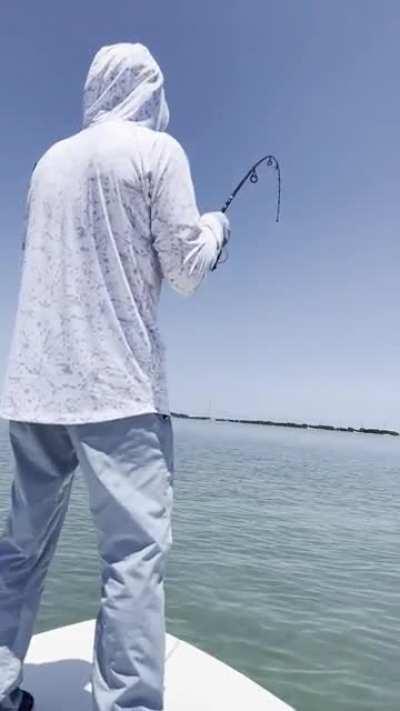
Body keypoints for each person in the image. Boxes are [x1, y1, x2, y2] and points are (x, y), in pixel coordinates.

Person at [0, 43, 230, 711]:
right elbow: (184, 269)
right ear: (148, 91)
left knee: (21, 548)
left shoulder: (46, 163)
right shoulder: (158, 153)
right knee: (131, 558)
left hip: (35, 391)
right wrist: (216, 229)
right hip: (118, 390)